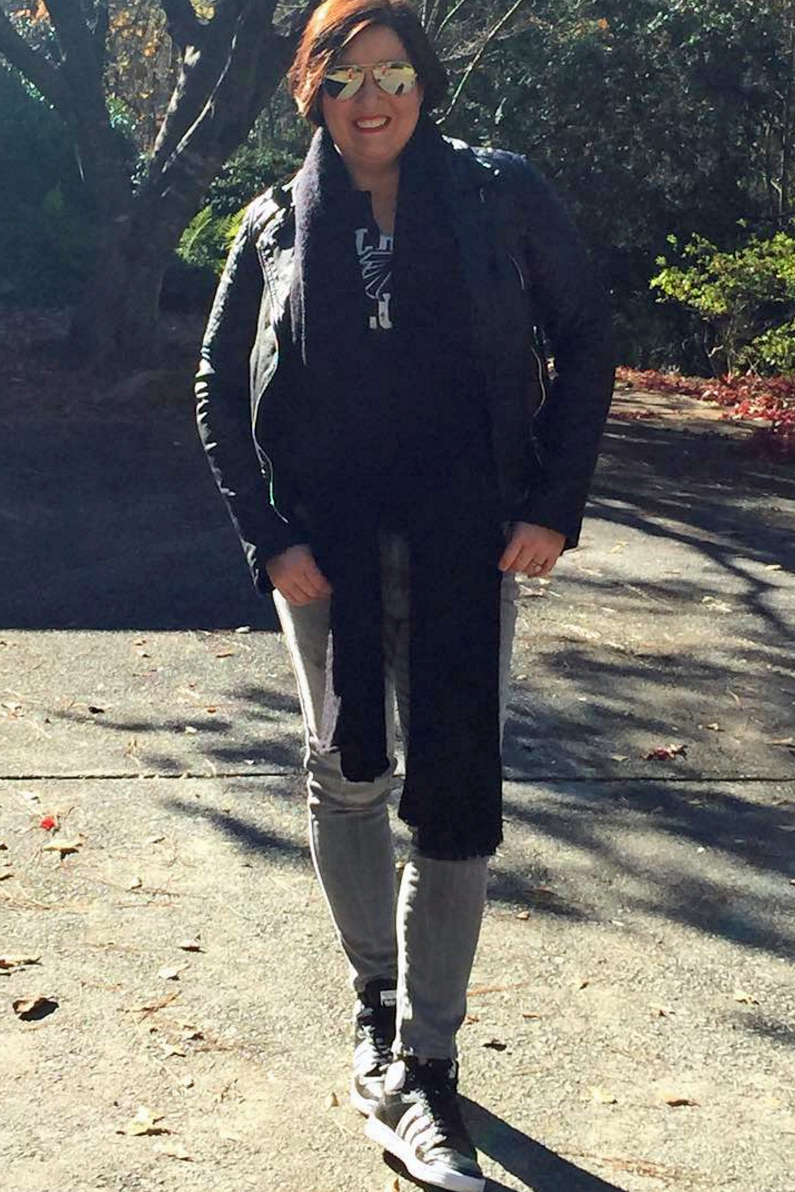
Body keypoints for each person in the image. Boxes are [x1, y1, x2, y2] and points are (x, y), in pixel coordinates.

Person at [195, 1, 614, 1187]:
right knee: (344, 770)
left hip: (466, 539)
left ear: (424, 84)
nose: (371, 99)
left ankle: (428, 1058)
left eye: (393, 73)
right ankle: (374, 1005)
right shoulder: (273, 222)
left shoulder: (496, 191)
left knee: (455, 776)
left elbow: (586, 333)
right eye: (345, 77)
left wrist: (552, 503)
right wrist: (269, 536)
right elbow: (217, 383)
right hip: (324, 548)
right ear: (312, 93)